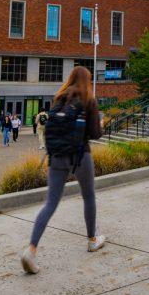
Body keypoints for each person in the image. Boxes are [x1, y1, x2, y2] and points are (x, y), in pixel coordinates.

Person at [22, 66, 105, 274]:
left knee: (50, 203)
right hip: (80, 156)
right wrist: (101, 123)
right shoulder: (89, 100)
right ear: (87, 80)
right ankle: (92, 240)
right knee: (89, 197)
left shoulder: (58, 99)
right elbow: (95, 133)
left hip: (57, 155)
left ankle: (31, 250)